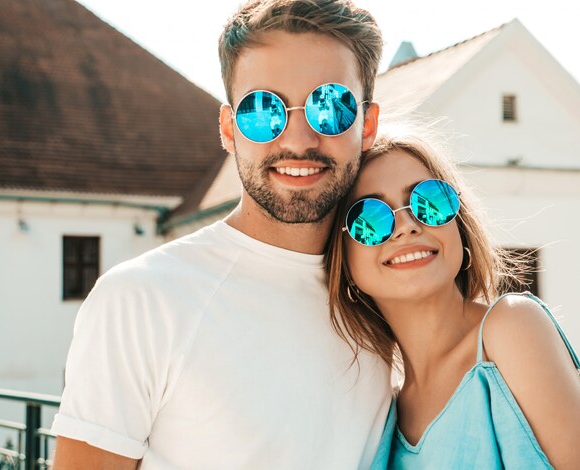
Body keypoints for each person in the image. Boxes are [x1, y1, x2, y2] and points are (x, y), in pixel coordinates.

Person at [51, 1, 391, 468]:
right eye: (262, 110)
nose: (297, 139)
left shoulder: (387, 301)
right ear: (229, 129)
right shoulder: (143, 299)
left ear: (367, 125)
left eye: (330, 107)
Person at [325, 130, 580, 469]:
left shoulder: (511, 328)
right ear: (343, 260)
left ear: (458, 224)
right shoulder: (381, 412)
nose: (406, 226)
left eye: (429, 201)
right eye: (369, 218)